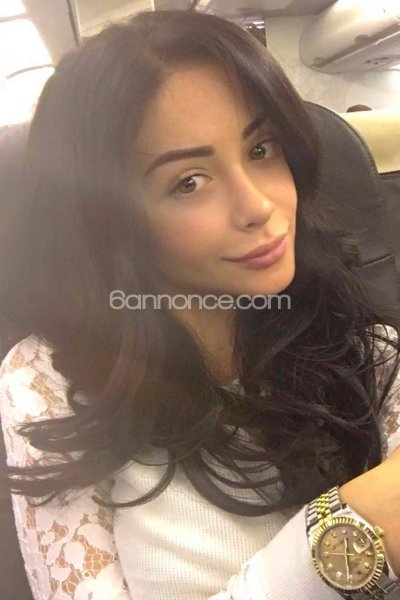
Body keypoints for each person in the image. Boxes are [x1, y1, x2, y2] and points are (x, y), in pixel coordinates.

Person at [0, 8, 399, 600]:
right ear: (111, 220)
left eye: (261, 149)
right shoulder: (48, 382)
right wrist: (347, 536)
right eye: (188, 181)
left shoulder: (365, 345)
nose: (258, 206)